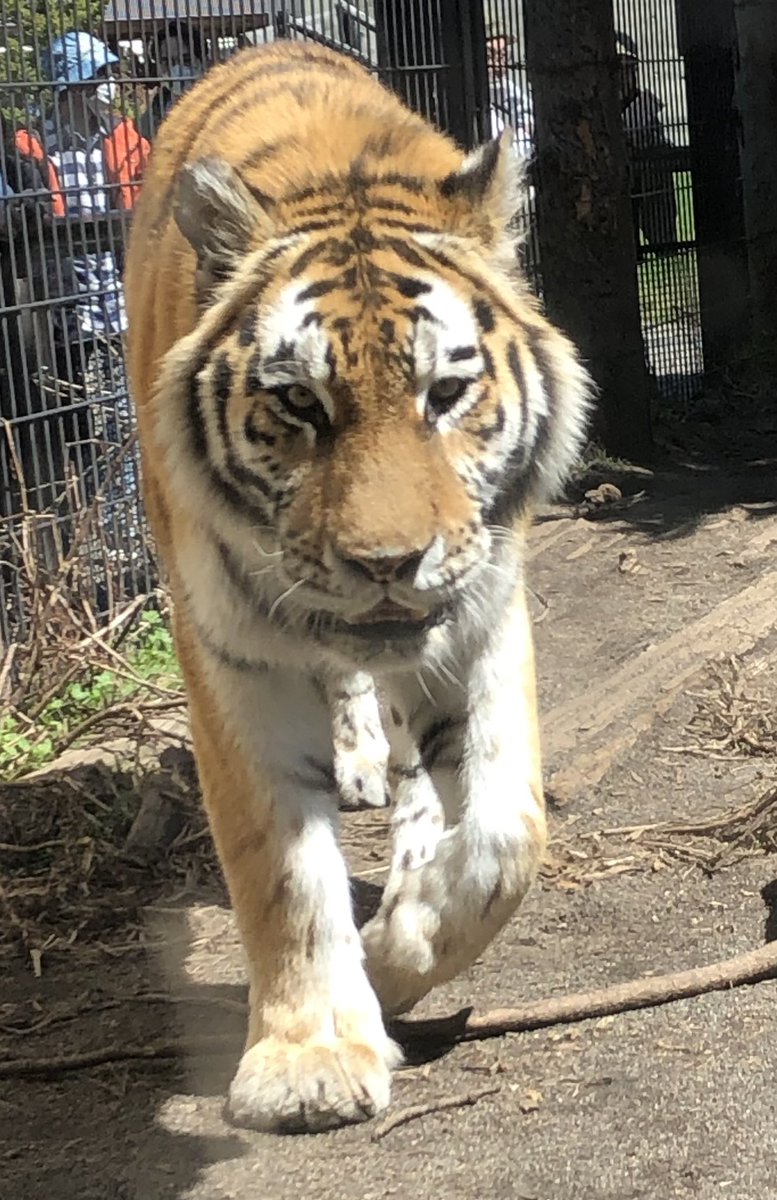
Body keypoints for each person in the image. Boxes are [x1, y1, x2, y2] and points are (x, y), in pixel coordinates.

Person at [40, 32, 150, 547]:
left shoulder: (124, 139)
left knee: (123, 416)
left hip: (119, 303)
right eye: (94, 78)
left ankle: (126, 526)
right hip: (62, 309)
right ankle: (91, 524)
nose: (105, 87)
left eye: (106, 76)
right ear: (70, 87)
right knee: (77, 422)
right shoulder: (37, 144)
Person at [616, 32, 678, 250]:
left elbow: (658, 135)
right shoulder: (602, 105)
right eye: (621, 68)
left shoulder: (643, 102)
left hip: (645, 171)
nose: (627, 74)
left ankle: (662, 241)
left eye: (631, 68)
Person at [138, 22, 206, 140]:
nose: (177, 69)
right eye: (167, 62)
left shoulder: (219, 107)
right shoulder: (150, 119)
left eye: (186, 60)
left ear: (203, 61)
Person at [486, 28, 533, 160]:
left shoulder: (506, 86)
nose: (498, 65)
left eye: (503, 56)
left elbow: (528, 116)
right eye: (489, 57)